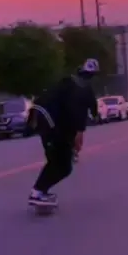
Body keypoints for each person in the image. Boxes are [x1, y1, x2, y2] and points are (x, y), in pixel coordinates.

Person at [27, 59, 99, 207]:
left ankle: (40, 191)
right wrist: (79, 135)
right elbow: (79, 114)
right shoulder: (84, 90)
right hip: (52, 126)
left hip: (43, 119)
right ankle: (37, 192)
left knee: (56, 162)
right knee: (63, 166)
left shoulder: (65, 82)